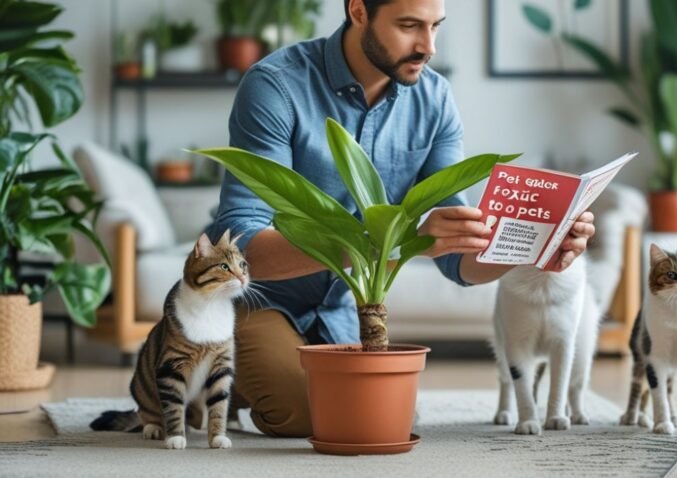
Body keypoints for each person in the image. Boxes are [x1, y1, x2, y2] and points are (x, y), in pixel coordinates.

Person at [205, 0, 596, 437]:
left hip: (343, 311)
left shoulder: (434, 98)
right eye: (409, 26)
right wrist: (397, 241)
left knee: (376, 417)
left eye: (435, 27)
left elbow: (458, 260)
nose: (427, 46)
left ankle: (230, 370)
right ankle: (198, 363)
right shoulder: (276, 85)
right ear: (358, 12)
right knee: (307, 414)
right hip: (256, 298)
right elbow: (242, 250)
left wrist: (539, 245)